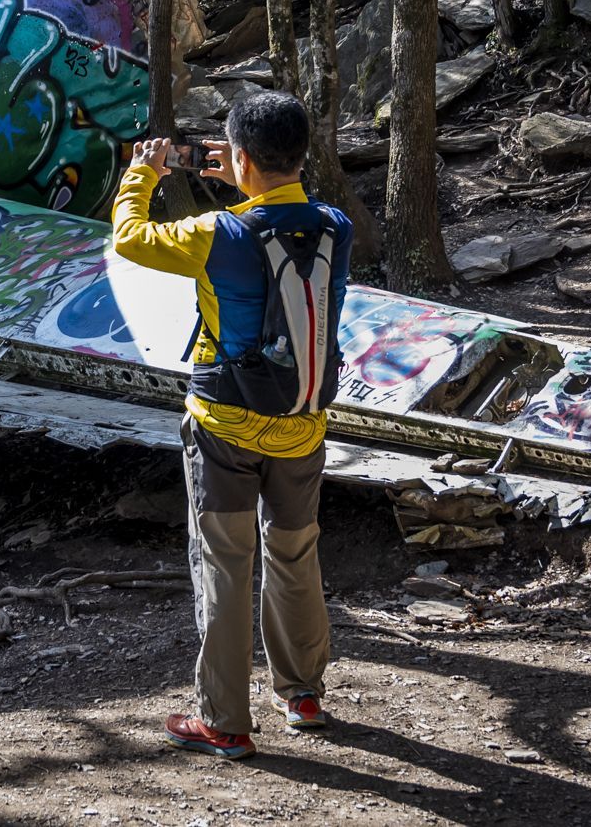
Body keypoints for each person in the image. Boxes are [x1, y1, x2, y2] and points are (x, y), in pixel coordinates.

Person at [111, 91, 353, 759]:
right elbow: (285, 222)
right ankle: (302, 694)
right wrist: (244, 176)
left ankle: (224, 719)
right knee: (295, 551)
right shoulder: (336, 226)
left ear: (241, 156)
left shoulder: (217, 234)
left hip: (224, 423)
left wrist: (146, 173)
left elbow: (130, 239)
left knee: (224, 560)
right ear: (303, 153)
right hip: (304, 422)